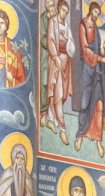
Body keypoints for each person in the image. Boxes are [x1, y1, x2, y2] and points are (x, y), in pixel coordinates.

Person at [74, 2, 105, 158]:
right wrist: (100, 58)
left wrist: (102, 50)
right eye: (95, 12)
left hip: (97, 71)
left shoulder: (96, 29)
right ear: (90, 10)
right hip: (88, 69)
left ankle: (98, 140)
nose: (96, 15)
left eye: (98, 13)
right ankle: (80, 135)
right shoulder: (82, 25)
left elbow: (98, 47)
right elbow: (85, 48)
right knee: (85, 103)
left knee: (99, 105)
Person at [44, 0, 75, 144]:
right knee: (57, 94)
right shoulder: (52, 22)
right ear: (58, 9)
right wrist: (55, 57)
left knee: (61, 97)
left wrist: (69, 48)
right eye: (63, 10)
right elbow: (50, 40)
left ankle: (50, 119)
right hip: (56, 62)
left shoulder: (66, 26)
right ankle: (63, 129)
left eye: (66, 12)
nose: (64, 14)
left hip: (65, 63)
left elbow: (71, 45)